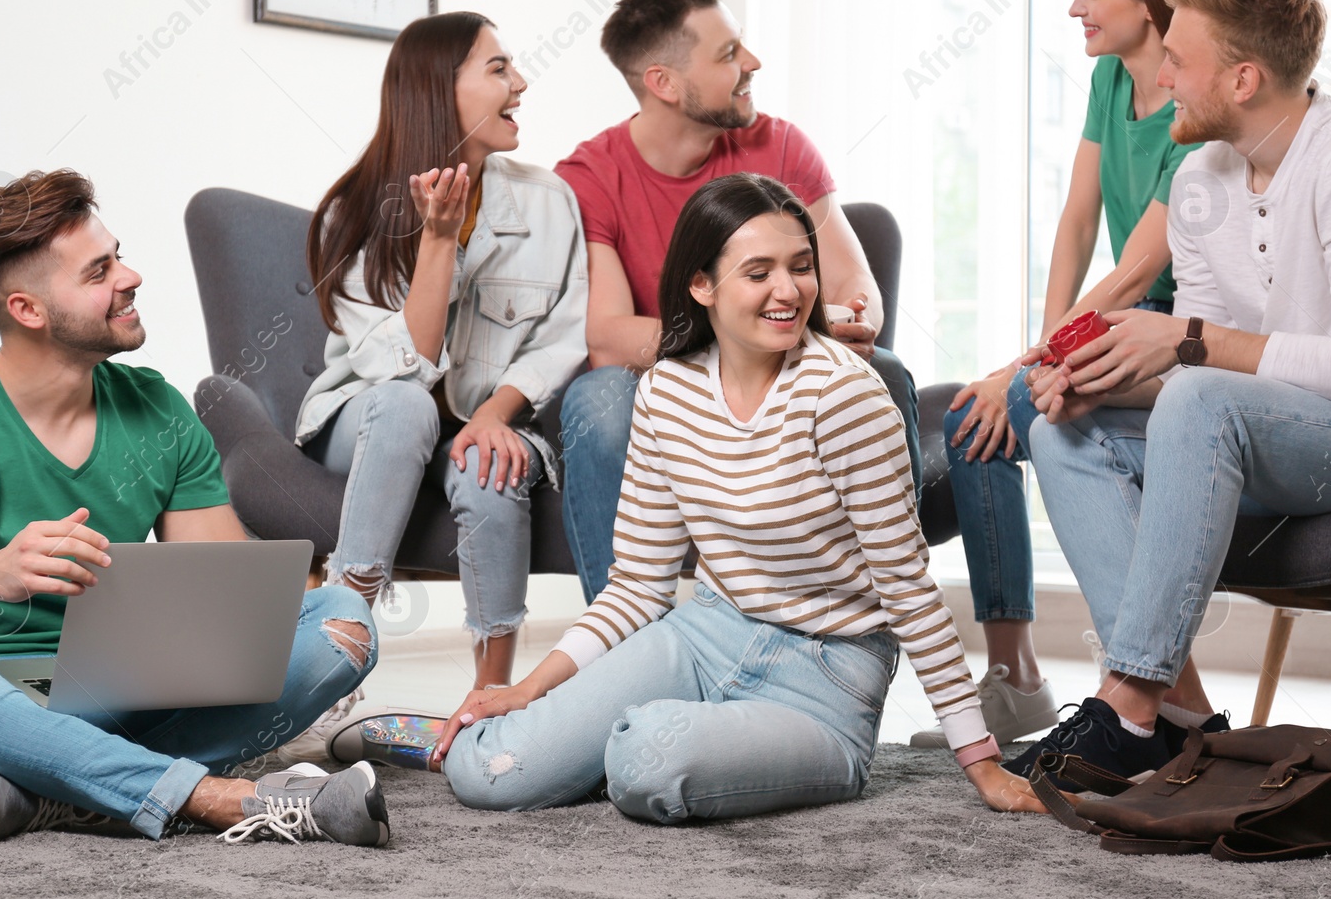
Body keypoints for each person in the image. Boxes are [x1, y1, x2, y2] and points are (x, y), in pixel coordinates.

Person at [426, 173, 1045, 821]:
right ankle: (586, 734)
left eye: (801, 267)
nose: (789, 290)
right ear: (703, 286)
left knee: (647, 763)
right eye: (759, 272)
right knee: (488, 769)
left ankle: (674, 737)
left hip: (827, 680)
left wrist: (982, 763)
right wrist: (528, 690)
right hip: (706, 635)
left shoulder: (848, 398)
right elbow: (638, 584)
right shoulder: (667, 390)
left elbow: (908, 589)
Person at [0, 170, 389, 846]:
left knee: (344, 623)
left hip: (114, 700)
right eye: (100, 270)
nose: (131, 275)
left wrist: (251, 594)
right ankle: (212, 797)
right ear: (29, 310)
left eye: (117, 254)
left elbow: (225, 598)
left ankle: (65, 789)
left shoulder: (159, 410)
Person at [1007, 0, 1331, 786]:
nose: (1165, 83)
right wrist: (1110, 378)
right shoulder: (1200, 177)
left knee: (1197, 391)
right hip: (1252, 431)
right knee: (1063, 426)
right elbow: (1202, 373)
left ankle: (1130, 702)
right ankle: (1172, 716)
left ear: (1244, 79)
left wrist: (1187, 346)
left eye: (1179, 62)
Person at [917, 0, 1202, 750]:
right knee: (980, 417)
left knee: (1000, 398)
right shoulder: (1111, 79)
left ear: (1148, 2)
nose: (1075, 6)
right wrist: (1044, 347)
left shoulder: (1193, 109)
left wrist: (1033, 364)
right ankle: (1018, 679)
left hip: (1171, 327)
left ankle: (1151, 699)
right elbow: (1078, 223)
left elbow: (1137, 271)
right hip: (1111, 314)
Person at [554, 0, 921, 604]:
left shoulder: (780, 145)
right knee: (596, 398)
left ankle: (868, 619)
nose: (752, 62)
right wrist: (737, 341)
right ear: (662, 83)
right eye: (728, 54)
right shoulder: (591, 174)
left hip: (787, 371)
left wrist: (848, 319)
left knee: (883, 371)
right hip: (668, 385)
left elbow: (854, 284)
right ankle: (625, 641)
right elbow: (610, 339)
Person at [295, 11, 587, 694]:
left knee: (491, 468)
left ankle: (491, 696)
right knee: (403, 405)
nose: (519, 82)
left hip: (475, 422)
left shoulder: (549, 201)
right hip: (367, 421)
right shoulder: (357, 210)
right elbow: (408, 363)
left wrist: (497, 415)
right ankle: (343, 641)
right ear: (438, 89)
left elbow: (561, 337)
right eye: (497, 69)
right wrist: (438, 241)